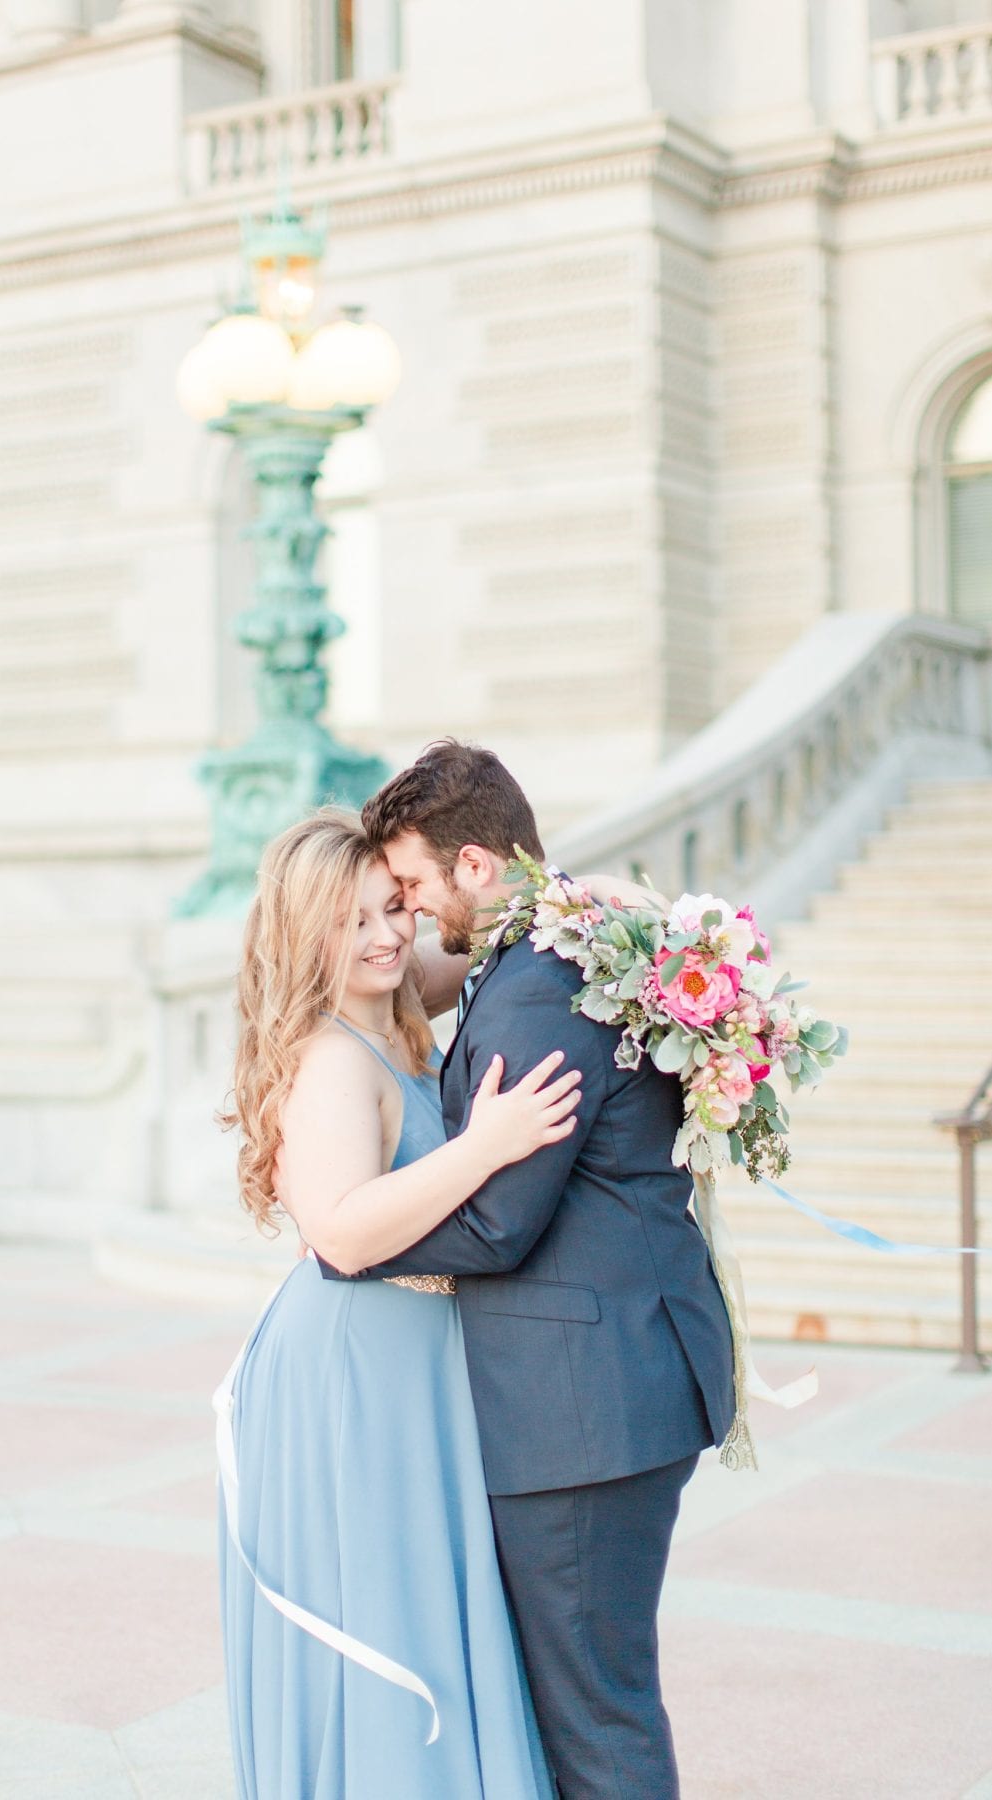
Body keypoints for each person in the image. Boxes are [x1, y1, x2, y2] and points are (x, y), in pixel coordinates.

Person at [315, 739, 738, 1799]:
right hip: (608, 1382)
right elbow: (406, 977)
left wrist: (349, 1241)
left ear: (470, 869)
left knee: (595, 1717)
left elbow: (501, 1226)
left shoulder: (536, 986)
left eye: (409, 886)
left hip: (583, 1411)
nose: (406, 917)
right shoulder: (548, 950)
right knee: (587, 1702)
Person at [218, 809, 583, 1799]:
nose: (383, 936)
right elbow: (338, 1232)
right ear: (304, 937)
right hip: (353, 1370)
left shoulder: (398, 996)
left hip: (416, 1360)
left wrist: (591, 913)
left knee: (429, 1602)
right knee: (388, 1616)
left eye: (392, 907)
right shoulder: (334, 1056)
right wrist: (488, 1143)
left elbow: (482, 944)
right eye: (349, 923)